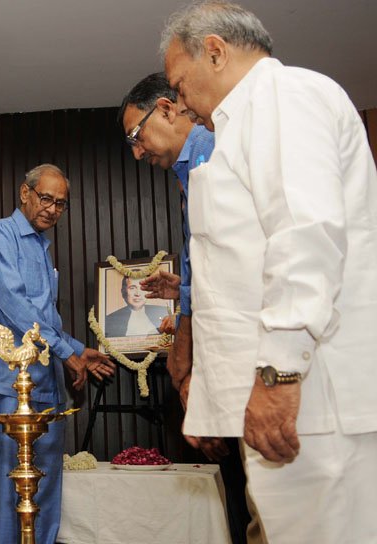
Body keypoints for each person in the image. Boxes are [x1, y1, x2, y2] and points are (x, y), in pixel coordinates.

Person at [161, 2, 377, 542]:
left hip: (309, 401)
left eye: (180, 84)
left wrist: (277, 376)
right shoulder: (245, 122)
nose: (181, 101)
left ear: (215, 51)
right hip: (286, 402)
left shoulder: (284, 97)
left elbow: (306, 235)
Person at [119, 72, 254, 544]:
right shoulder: (188, 170)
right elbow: (217, 259)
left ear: (168, 108)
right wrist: (183, 287)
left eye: (137, 137)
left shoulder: (215, 156)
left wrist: (183, 357)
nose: (137, 153)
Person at [0, 164, 115, 544]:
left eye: (60, 204)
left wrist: (76, 350)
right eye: (45, 198)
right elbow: (13, 306)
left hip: (49, 384)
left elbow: (46, 316)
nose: (52, 209)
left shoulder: (42, 245)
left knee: (47, 485)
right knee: (12, 488)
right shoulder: (2, 233)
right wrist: (63, 350)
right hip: (12, 385)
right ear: (24, 193)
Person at [104, 276, 169, 338]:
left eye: (142, 288)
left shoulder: (165, 313)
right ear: (123, 292)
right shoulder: (110, 320)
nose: (137, 294)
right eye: (132, 288)